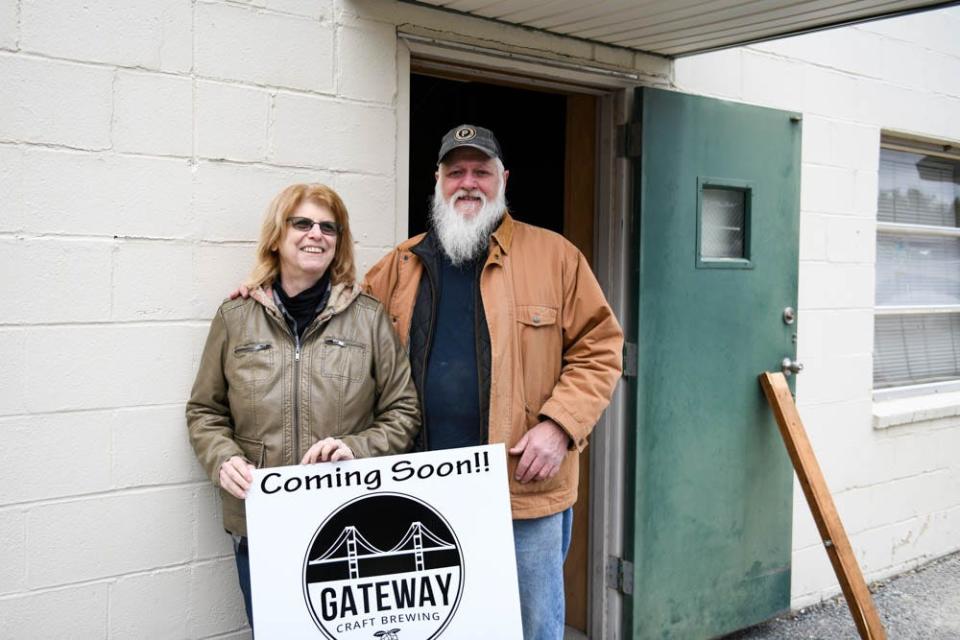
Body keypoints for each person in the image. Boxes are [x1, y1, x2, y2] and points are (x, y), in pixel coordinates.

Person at [363, 125, 623, 639]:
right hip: (421, 488)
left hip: (519, 487)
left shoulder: (556, 257)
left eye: (480, 171)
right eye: (455, 171)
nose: (468, 183)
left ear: (503, 179)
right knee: (435, 626)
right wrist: (266, 290)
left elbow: (600, 348)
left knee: (531, 626)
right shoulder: (398, 265)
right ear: (436, 181)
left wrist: (560, 427)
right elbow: (338, 330)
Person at [187, 184, 420, 631]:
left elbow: (404, 411)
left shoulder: (369, 317)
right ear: (277, 235)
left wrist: (357, 448)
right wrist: (223, 457)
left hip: (349, 519)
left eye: (328, 227)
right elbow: (204, 411)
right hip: (263, 522)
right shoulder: (235, 318)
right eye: (303, 223)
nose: (317, 234)